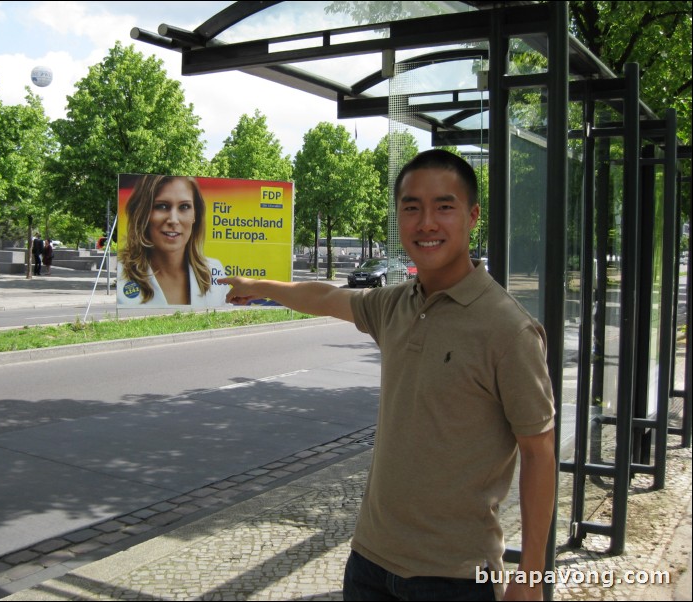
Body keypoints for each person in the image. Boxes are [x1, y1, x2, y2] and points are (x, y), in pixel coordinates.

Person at [221, 149, 556, 601]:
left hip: (453, 577)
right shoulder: (396, 304)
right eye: (411, 207)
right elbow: (324, 297)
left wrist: (531, 576)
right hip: (369, 563)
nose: (427, 222)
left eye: (444, 206)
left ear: (472, 216)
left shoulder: (509, 329)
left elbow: (539, 453)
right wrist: (258, 287)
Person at [117, 175, 229, 308]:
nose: (173, 220)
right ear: (143, 214)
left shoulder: (214, 270)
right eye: (162, 206)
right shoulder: (120, 274)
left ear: (195, 215)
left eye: (184, 207)